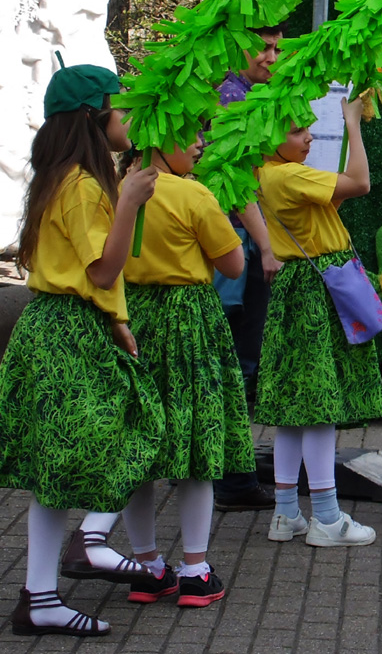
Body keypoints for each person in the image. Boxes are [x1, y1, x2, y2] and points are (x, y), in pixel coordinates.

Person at [0, 65, 162, 637]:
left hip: (60, 328)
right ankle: (89, 543)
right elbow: (102, 269)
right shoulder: (84, 187)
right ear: (96, 117)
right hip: (67, 333)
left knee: (55, 473)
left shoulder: (61, 178)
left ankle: (42, 595)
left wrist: (118, 322)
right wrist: (129, 204)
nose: (131, 118)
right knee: (142, 430)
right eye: (122, 108)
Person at [117, 135, 256, 607]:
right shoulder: (193, 194)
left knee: (140, 448)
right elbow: (234, 265)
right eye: (189, 132)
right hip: (187, 322)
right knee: (195, 445)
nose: (199, 143)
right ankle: (195, 570)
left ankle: (146, 566)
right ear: (162, 136)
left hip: (131, 318)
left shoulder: (116, 189)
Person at [256, 95, 382, 547]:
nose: (308, 136)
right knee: (318, 409)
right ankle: (327, 518)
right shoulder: (289, 175)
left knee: (295, 409)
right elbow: (361, 183)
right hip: (318, 292)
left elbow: (328, 207)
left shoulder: (267, 174)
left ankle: (285, 512)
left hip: (297, 287)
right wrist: (353, 123)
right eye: (296, 130)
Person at [212, 23, 283, 513]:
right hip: (231, 248)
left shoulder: (248, 95)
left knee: (235, 359)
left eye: (279, 47)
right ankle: (229, 479)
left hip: (240, 243)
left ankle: (214, 468)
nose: (272, 56)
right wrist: (266, 244)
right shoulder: (231, 102)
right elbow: (241, 187)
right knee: (232, 359)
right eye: (264, 46)